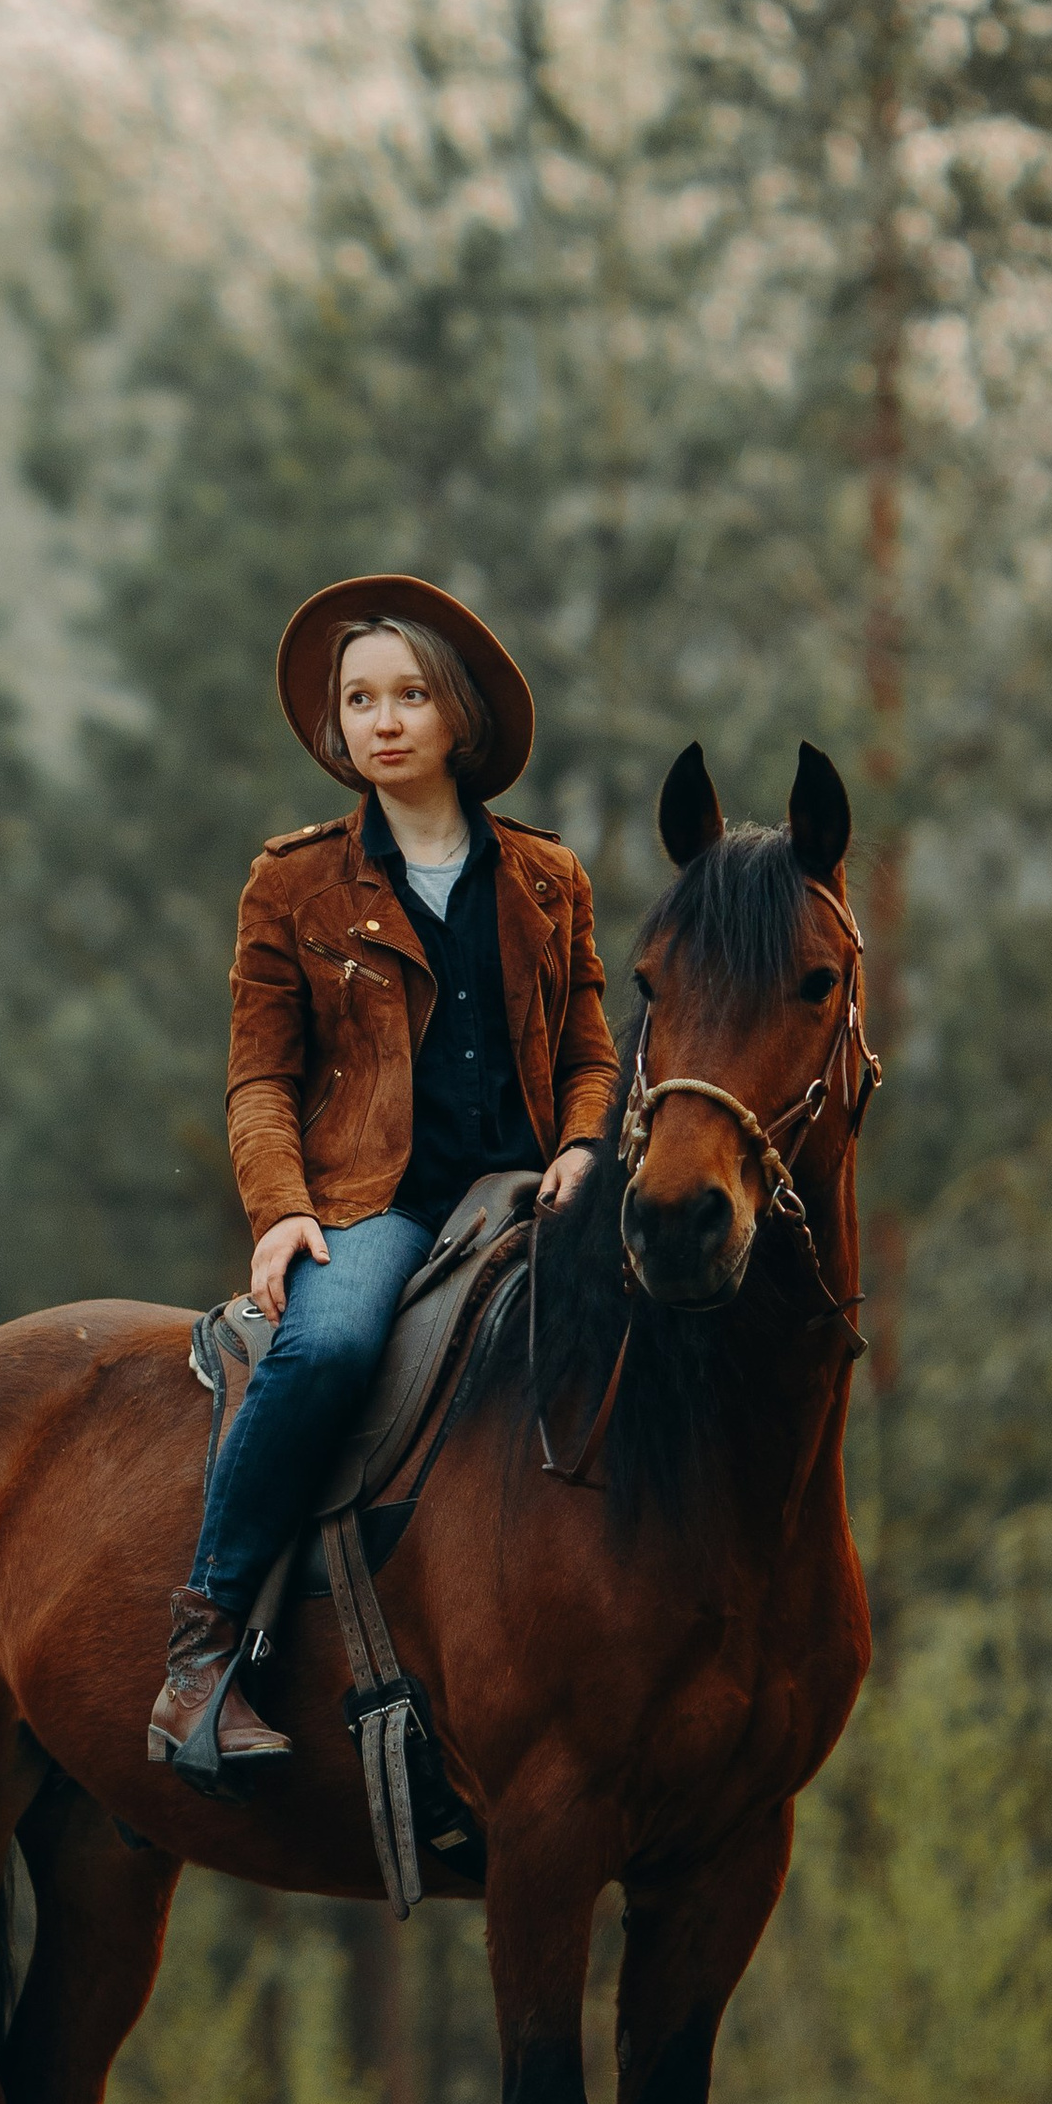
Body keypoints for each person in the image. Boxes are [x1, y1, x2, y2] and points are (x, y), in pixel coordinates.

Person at [147, 576, 619, 1788]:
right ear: (335, 728)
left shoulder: (546, 879)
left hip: (533, 1186)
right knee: (329, 1347)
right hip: (379, 1199)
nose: (384, 720)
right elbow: (260, 1082)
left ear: (458, 717)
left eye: (409, 695)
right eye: (359, 700)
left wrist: (579, 1143)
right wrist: (285, 1210)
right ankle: (201, 1652)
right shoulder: (291, 885)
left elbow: (589, 1050)